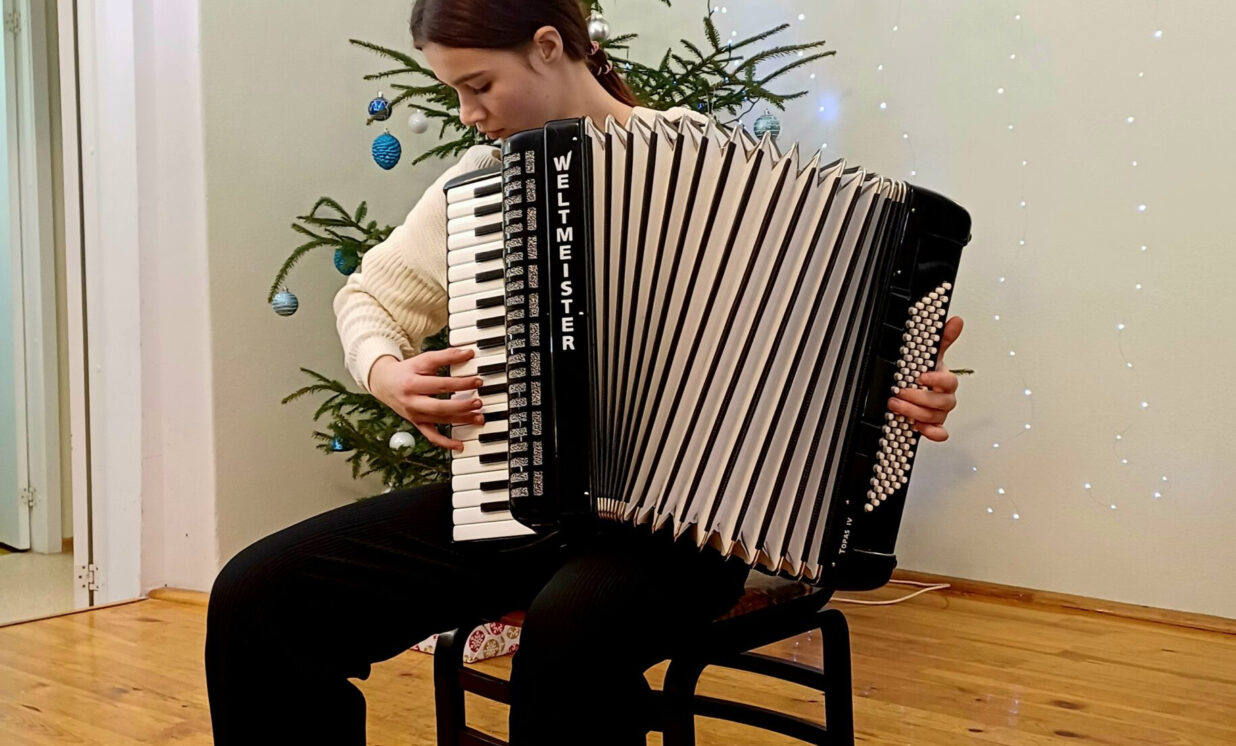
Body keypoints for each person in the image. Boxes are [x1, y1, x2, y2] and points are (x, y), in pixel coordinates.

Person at [204, 1, 966, 744]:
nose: (469, 114)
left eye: (478, 86)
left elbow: (833, 338)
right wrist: (386, 374)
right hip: (518, 501)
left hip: (692, 532)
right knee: (261, 592)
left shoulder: (706, 159)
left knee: (573, 633)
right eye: (454, 92)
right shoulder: (483, 180)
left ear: (547, 45)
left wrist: (899, 389)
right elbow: (370, 295)